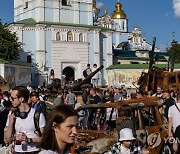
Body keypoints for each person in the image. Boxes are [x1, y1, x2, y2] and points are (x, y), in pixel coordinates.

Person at [4, 86, 46, 154]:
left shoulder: (37, 115)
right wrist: (11, 123)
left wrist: (29, 140)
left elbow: (45, 138)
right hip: (17, 151)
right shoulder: (12, 115)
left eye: (12, 98)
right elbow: (7, 139)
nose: (10, 100)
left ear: (21, 99)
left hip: (33, 151)